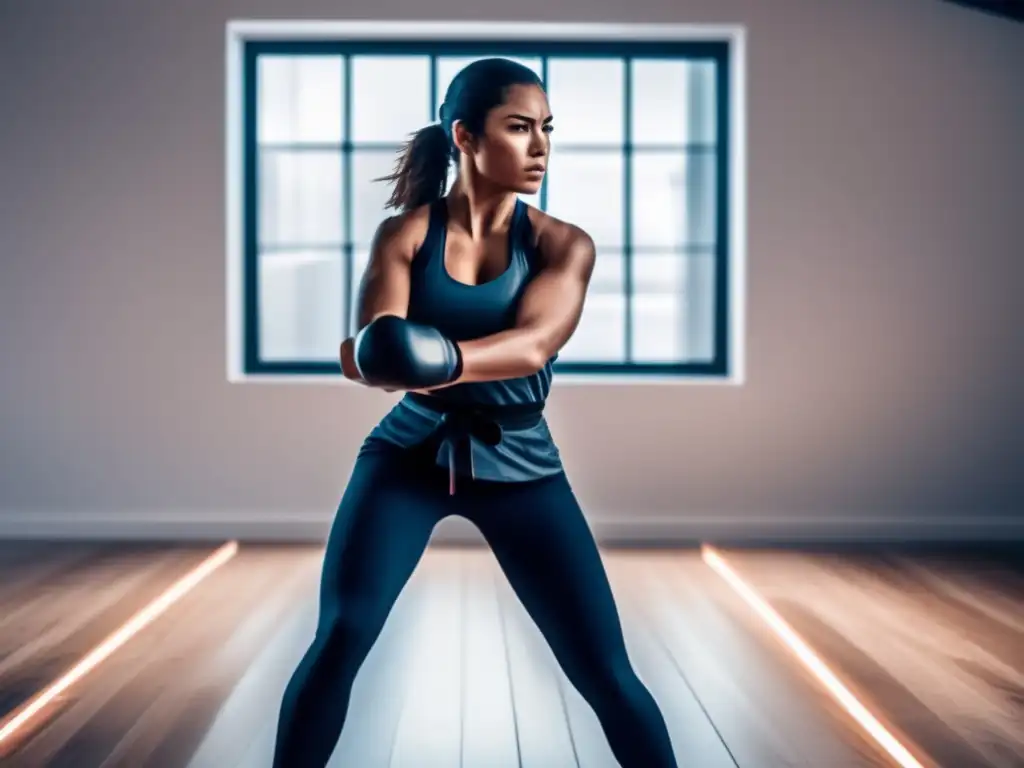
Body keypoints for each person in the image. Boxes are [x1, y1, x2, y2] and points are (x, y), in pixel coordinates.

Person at [271, 57, 679, 767]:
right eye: (519, 128)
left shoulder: (561, 243)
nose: (541, 146)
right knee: (340, 636)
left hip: (522, 467)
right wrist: (374, 356)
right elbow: (377, 348)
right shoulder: (405, 236)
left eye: (547, 128)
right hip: (407, 459)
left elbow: (534, 344)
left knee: (606, 673)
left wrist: (433, 359)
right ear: (464, 135)